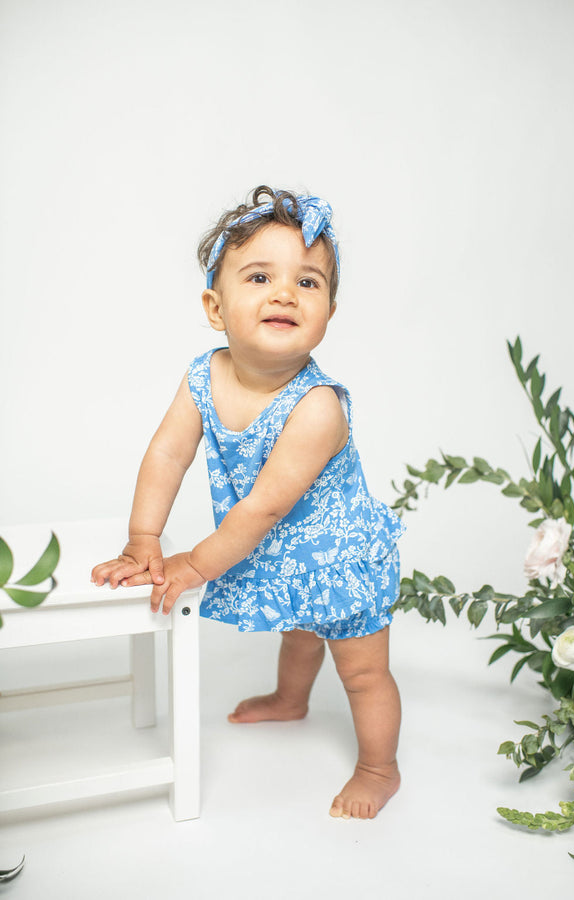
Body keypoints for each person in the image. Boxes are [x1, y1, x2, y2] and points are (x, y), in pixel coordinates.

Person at [91, 186, 406, 820]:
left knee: (362, 672)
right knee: (298, 633)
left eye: (308, 282)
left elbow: (262, 508)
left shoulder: (318, 407)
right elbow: (166, 455)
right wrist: (143, 538)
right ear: (216, 306)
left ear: (329, 312)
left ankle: (379, 767)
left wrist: (193, 564)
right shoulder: (202, 377)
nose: (285, 294)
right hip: (277, 550)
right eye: (260, 277)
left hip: (339, 558)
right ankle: (291, 700)